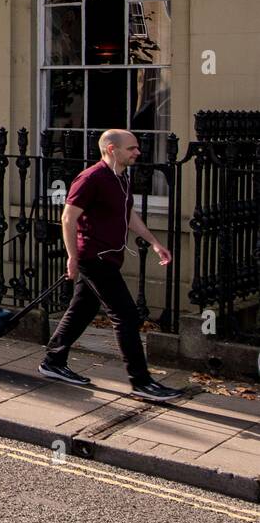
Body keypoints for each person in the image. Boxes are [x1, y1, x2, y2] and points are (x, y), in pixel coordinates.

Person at [39, 129, 184, 402]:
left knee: (83, 308)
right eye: (131, 148)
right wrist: (72, 257)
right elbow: (68, 218)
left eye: (137, 148)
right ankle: (141, 382)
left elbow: (127, 213)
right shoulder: (91, 178)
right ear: (111, 149)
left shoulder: (121, 178)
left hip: (108, 257)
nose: (137, 152)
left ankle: (53, 361)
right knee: (126, 316)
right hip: (94, 258)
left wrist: (154, 242)